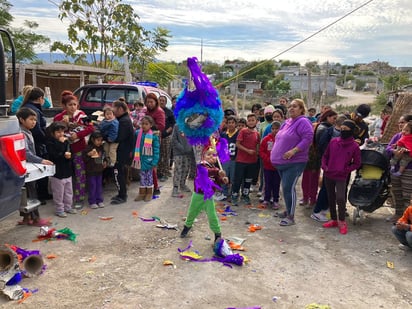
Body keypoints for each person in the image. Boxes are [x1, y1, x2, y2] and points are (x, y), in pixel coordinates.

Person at [270, 99, 313, 226]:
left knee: (289, 188)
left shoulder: (303, 122)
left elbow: (308, 139)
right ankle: (287, 210)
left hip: (294, 162)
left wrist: (294, 151)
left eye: (295, 106)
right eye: (290, 106)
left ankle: (291, 216)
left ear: (301, 109)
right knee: (285, 188)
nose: (291, 108)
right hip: (281, 163)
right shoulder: (287, 122)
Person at [54, 90, 95, 209]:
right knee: (65, 175)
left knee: (80, 174)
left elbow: (91, 127)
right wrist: (63, 125)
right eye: (70, 105)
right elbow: (53, 133)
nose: (72, 107)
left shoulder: (82, 115)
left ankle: (79, 198)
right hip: (64, 150)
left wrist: (78, 135)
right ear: (64, 106)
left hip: (79, 149)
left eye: (74, 105)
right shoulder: (59, 117)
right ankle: (64, 200)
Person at [180, 146, 229, 241]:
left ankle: (217, 234)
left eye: (213, 155)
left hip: (208, 196)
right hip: (198, 195)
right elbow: (207, 172)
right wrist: (218, 172)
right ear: (203, 156)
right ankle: (187, 227)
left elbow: (216, 181)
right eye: (208, 154)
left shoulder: (215, 168)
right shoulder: (201, 166)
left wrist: (223, 180)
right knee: (191, 213)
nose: (211, 156)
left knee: (212, 216)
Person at [321, 120, 361, 235]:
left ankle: (342, 221)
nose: (342, 131)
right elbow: (325, 156)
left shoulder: (354, 146)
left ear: (351, 131)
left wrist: (346, 170)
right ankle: (334, 219)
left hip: (341, 176)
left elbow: (357, 163)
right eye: (341, 129)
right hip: (328, 174)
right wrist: (324, 166)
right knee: (331, 197)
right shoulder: (333, 142)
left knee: (340, 198)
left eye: (345, 129)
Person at [16, 107, 53, 226]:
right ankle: (36, 218)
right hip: (26, 167)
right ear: (22, 119)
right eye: (31, 119)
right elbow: (26, 153)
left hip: (25, 166)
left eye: (35, 120)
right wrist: (41, 160)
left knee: (25, 193)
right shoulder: (22, 133)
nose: (34, 122)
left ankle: (27, 218)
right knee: (31, 192)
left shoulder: (26, 131)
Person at [311, 114, 347, 222]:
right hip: (330, 166)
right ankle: (317, 211)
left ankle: (325, 209)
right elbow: (322, 146)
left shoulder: (341, 134)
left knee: (331, 190)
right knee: (326, 188)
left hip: (339, 166)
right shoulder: (329, 132)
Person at [300, 110, 337, 208]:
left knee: (307, 178)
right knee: (313, 178)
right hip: (315, 157)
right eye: (334, 118)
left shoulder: (317, 125)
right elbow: (322, 146)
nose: (335, 121)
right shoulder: (325, 128)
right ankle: (312, 199)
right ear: (328, 117)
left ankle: (305, 198)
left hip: (309, 155)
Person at [20, 87, 51, 204]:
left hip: (36, 144)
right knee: (37, 172)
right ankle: (37, 197)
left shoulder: (30, 108)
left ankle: (39, 196)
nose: (33, 121)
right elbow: (38, 131)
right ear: (40, 98)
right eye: (31, 120)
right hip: (37, 146)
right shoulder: (33, 111)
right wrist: (48, 139)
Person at [46, 121, 77, 218]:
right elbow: (54, 156)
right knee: (58, 193)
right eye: (58, 132)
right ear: (53, 133)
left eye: (62, 131)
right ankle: (59, 209)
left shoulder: (66, 141)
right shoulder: (50, 143)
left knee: (69, 191)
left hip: (67, 171)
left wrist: (70, 156)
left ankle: (68, 207)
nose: (61, 134)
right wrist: (60, 145)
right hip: (58, 172)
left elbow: (70, 152)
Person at [386, 114, 412, 222]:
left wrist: (407, 154)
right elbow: (387, 148)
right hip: (395, 168)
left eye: (403, 122)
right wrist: (394, 151)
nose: (400, 124)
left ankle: (405, 219)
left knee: (406, 195)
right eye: (399, 122)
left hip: (409, 170)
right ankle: (398, 214)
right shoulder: (397, 136)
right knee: (397, 193)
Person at [231, 113, 260, 206]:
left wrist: (257, 153)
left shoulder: (257, 133)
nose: (251, 122)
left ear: (256, 121)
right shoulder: (243, 131)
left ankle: (245, 195)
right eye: (249, 120)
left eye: (253, 120)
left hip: (252, 161)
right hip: (241, 161)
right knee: (238, 179)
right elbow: (238, 144)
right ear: (247, 121)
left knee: (248, 180)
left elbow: (258, 145)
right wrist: (247, 151)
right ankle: (234, 195)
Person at [110, 99, 135, 205]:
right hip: (123, 151)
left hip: (123, 152)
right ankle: (121, 193)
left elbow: (119, 137)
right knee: (119, 172)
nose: (112, 111)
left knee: (118, 172)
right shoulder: (122, 119)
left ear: (120, 109)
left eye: (114, 108)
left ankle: (122, 195)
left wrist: (109, 138)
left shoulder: (124, 121)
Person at [132, 116, 160, 202]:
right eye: (142, 124)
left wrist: (155, 161)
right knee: (142, 177)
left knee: (149, 177)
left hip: (149, 160)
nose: (144, 126)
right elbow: (135, 145)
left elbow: (156, 150)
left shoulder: (154, 136)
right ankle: (142, 193)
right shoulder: (138, 134)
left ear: (151, 125)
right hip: (140, 160)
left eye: (146, 124)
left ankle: (149, 193)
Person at [144, 93, 165, 196]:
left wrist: (148, 127)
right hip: (146, 139)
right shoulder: (147, 111)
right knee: (146, 163)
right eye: (147, 102)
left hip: (154, 139)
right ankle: (148, 186)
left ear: (155, 102)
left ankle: (155, 186)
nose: (149, 104)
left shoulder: (159, 112)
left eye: (151, 102)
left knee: (152, 164)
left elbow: (161, 126)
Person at [259, 121, 281, 209]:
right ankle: (266, 199)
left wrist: (278, 161)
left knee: (276, 184)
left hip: (278, 167)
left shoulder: (282, 139)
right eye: (273, 129)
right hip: (267, 166)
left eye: (277, 129)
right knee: (267, 183)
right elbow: (261, 151)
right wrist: (268, 160)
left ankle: (275, 200)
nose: (275, 131)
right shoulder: (266, 139)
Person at [83, 131, 106, 209]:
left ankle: (99, 200)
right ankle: (92, 201)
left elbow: (103, 156)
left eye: (101, 140)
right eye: (98, 140)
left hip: (99, 170)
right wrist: (88, 155)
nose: (100, 142)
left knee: (99, 186)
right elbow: (84, 159)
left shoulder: (101, 147)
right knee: (92, 186)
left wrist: (105, 162)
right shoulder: (88, 148)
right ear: (93, 139)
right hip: (91, 171)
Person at [171, 126, 193, 197]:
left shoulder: (191, 126)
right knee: (178, 169)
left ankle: (182, 184)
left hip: (188, 153)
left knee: (186, 169)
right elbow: (174, 139)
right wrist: (181, 147)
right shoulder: (177, 126)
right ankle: (175, 187)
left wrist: (190, 148)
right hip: (178, 153)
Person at [158, 95, 175, 182]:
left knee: (166, 155)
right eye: (160, 100)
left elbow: (173, 124)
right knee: (158, 155)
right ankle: (158, 172)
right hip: (156, 136)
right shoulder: (156, 111)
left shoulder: (169, 112)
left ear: (165, 102)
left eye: (163, 101)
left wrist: (167, 131)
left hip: (166, 136)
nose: (161, 102)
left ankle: (165, 172)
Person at [220, 116, 238, 199]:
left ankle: (233, 193)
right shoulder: (223, 134)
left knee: (234, 177)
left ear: (235, 124)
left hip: (234, 159)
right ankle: (224, 192)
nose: (231, 124)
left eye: (232, 123)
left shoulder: (238, 134)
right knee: (224, 175)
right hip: (225, 158)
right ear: (226, 124)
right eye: (229, 123)